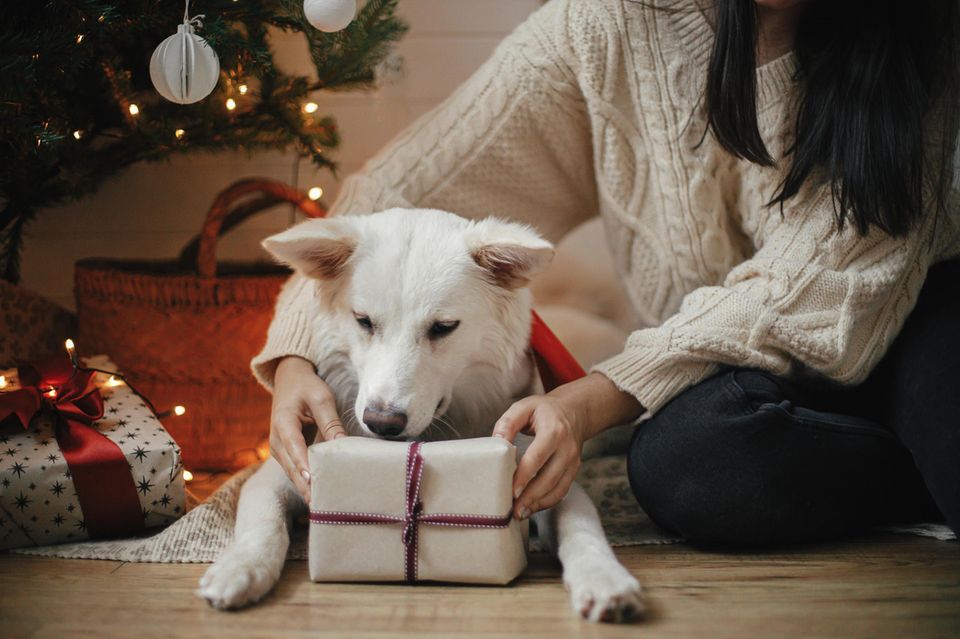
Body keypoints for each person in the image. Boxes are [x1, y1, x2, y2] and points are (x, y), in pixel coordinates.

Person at [252, 0, 960, 543]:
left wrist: (589, 400)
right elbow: (390, 200)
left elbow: (817, 285)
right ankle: (905, 481)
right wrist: (292, 356)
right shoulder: (605, 26)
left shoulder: (925, 29)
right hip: (732, 369)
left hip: (918, 320)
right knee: (681, 466)